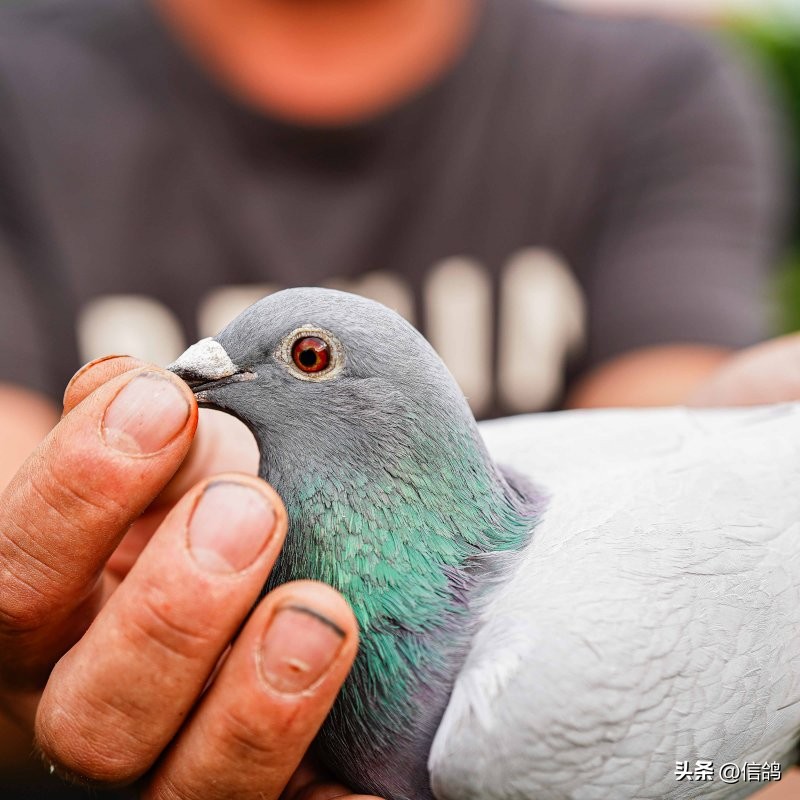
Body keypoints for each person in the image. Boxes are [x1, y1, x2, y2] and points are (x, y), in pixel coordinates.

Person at [0, 0, 797, 797]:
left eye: (309, 359)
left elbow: (668, 427)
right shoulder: (22, 91)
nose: (188, 380)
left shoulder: (654, 88)